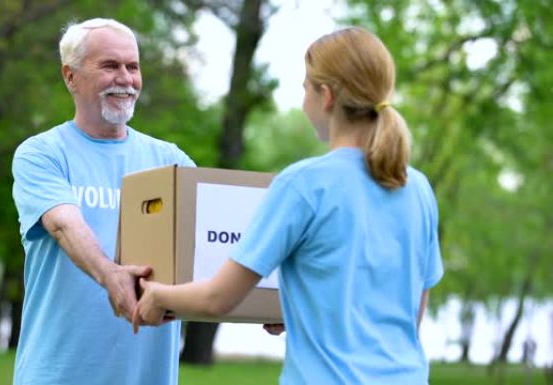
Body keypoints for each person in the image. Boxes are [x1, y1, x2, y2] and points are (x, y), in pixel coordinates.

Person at [132, 27, 444, 385]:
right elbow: (407, 314)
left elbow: (217, 298)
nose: (303, 100)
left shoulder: (304, 184)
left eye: (304, 88)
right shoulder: (416, 187)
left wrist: (156, 295)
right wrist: (302, 312)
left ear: (325, 96)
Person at [11, 18, 194, 385]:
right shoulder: (43, 154)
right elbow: (64, 224)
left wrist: (266, 302)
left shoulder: (172, 162)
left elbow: (210, 250)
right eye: (110, 66)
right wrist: (111, 275)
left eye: (133, 66)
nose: (125, 78)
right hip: (57, 375)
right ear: (70, 76)